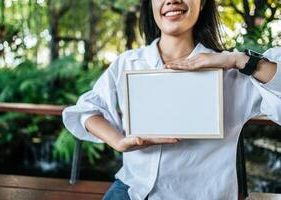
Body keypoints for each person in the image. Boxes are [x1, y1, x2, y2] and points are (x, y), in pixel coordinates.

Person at [62, 0, 281, 199]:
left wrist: (236, 59)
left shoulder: (232, 73)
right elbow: (88, 109)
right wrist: (118, 142)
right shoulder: (128, 63)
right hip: (130, 190)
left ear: (203, 3)